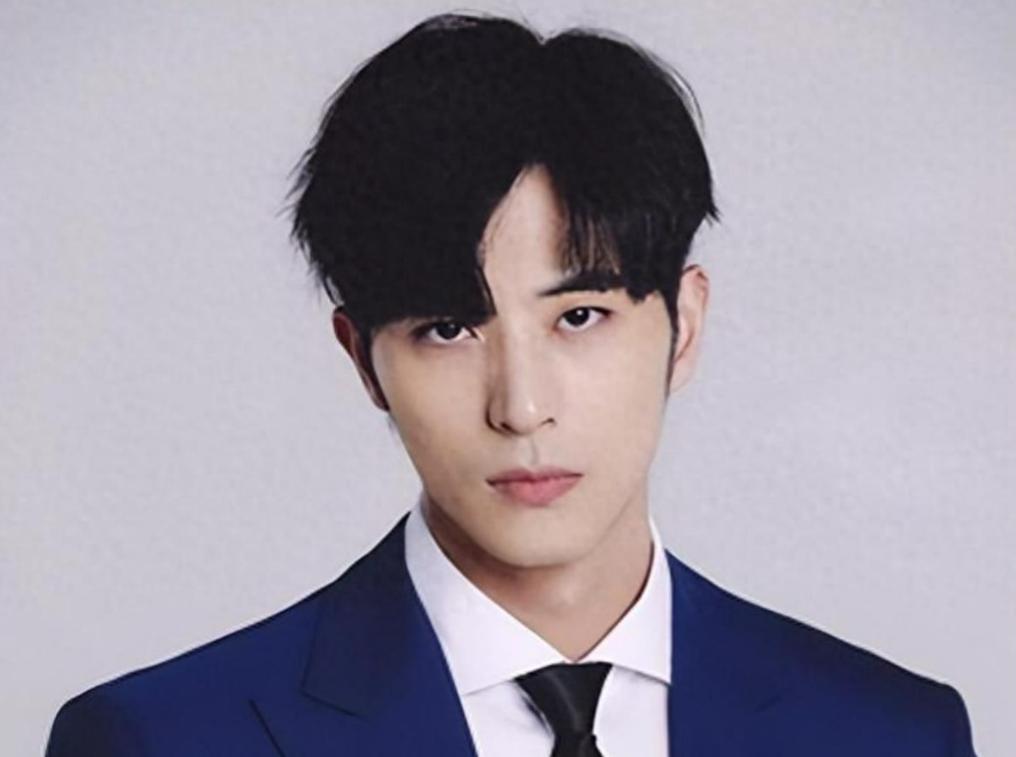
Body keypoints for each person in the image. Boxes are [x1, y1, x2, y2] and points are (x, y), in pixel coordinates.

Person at [45, 12, 977, 757]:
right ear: (363, 359)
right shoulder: (158, 738)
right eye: (449, 328)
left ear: (684, 325)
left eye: (580, 316)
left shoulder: (891, 733)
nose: (522, 405)